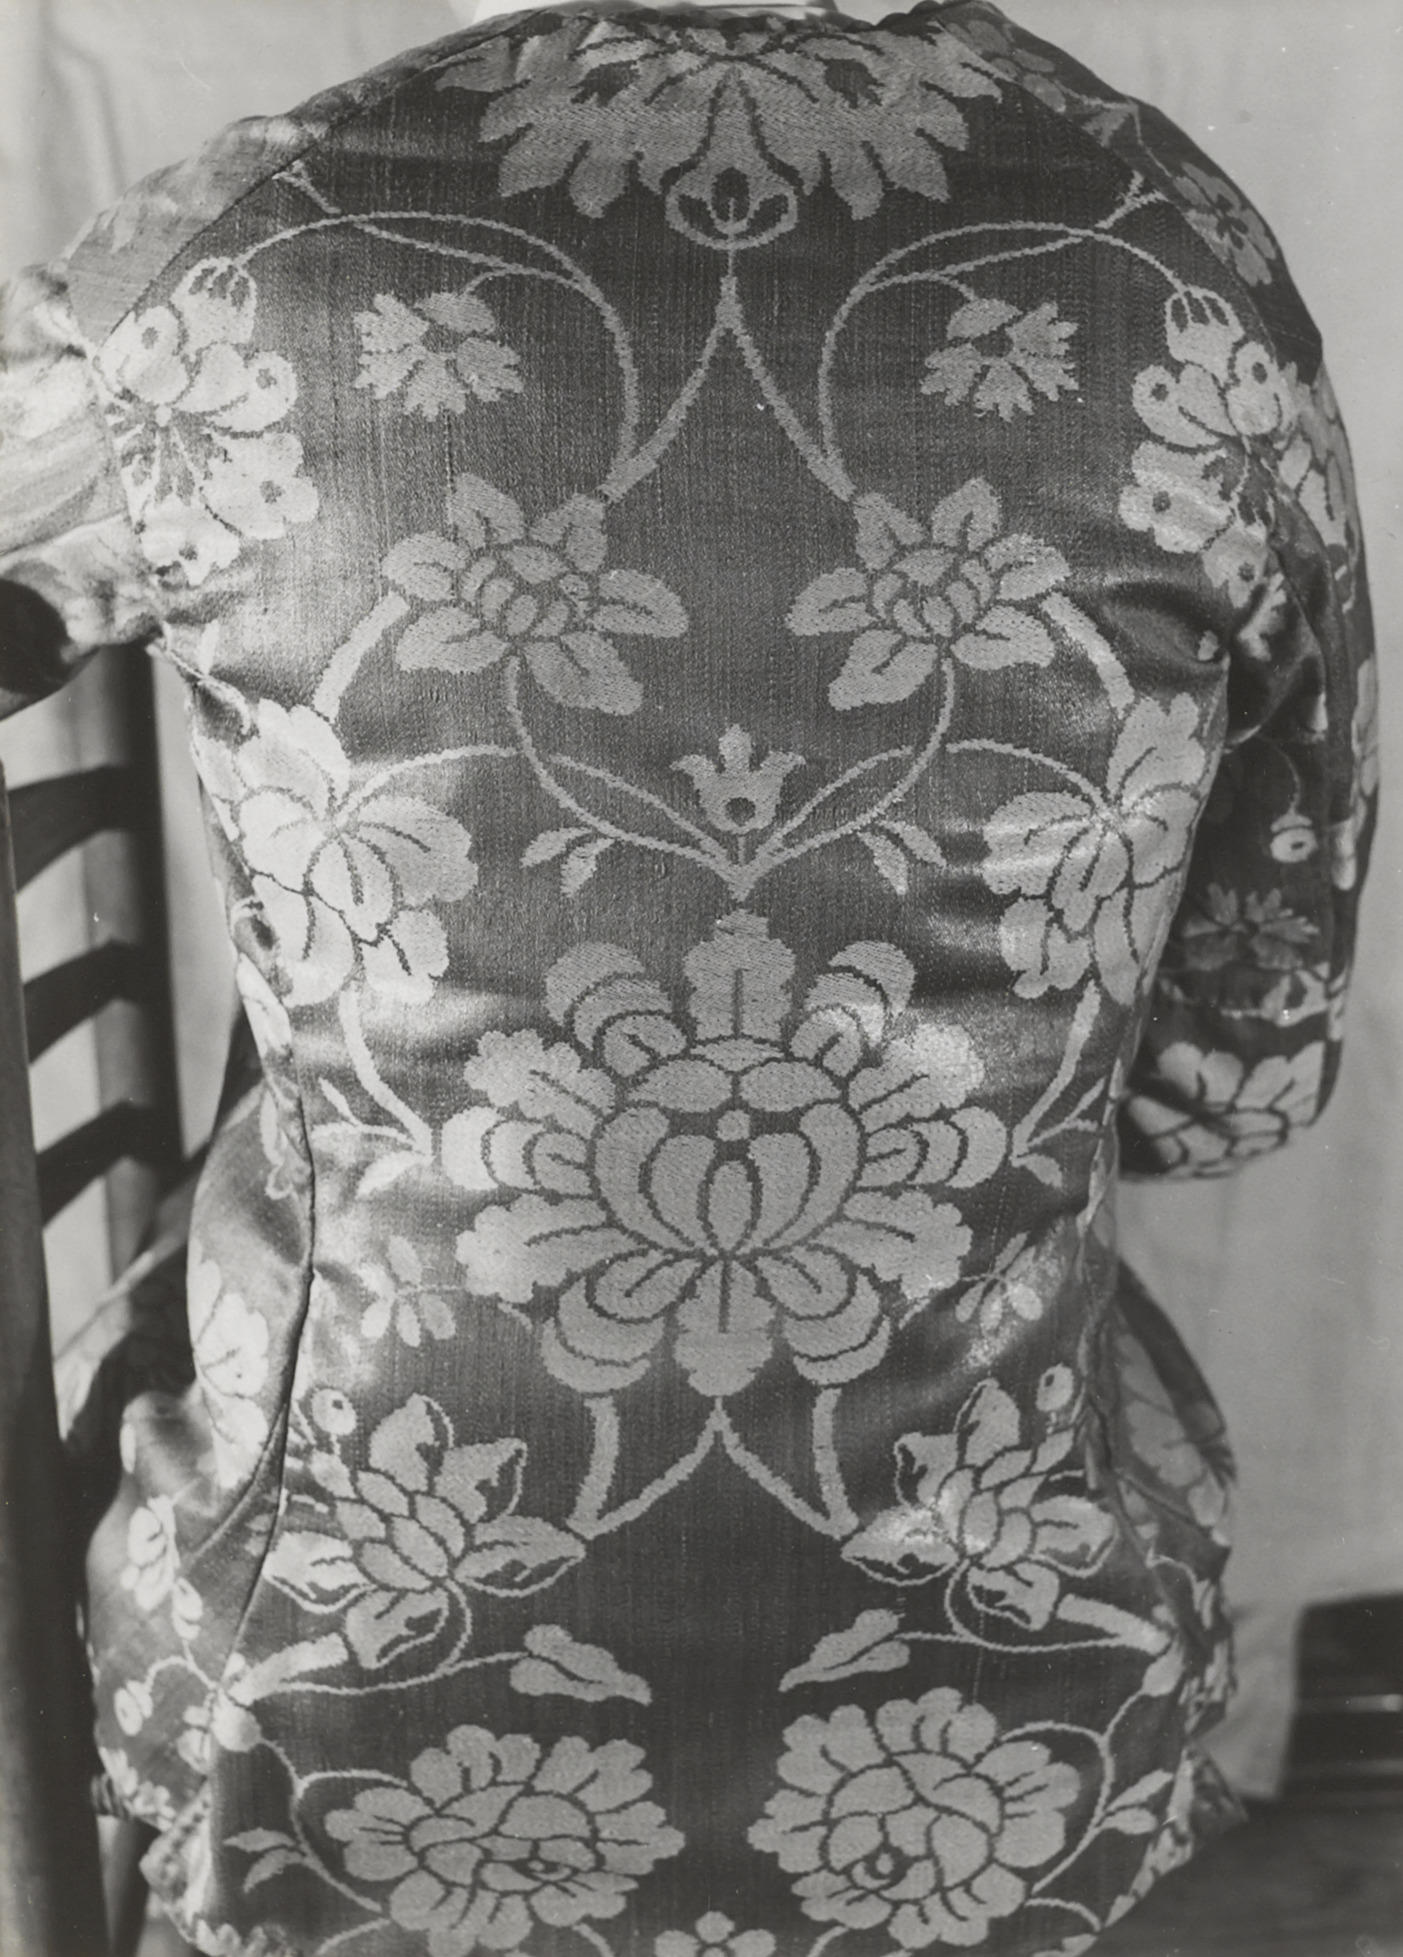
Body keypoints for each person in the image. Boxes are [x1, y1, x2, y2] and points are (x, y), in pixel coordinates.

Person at [0, 2, 1375, 1951]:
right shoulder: (1176, 269)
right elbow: (1242, 1067)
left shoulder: (246, 259)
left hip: (330, 1634)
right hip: (1013, 1657)